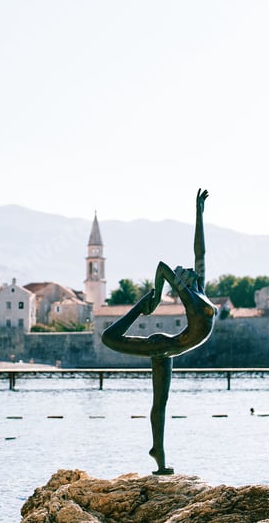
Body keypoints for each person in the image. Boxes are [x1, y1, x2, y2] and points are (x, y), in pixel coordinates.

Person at [102, 188, 216, 475]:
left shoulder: (199, 290)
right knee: (108, 338)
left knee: (161, 403)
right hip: (162, 346)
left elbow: (200, 251)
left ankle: (159, 456)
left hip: (170, 347)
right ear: (182, 281)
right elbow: (163, 267)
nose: (188, 269)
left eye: (188, 270)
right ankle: (141, 305)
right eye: (184, 272)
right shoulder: (188, 296)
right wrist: (154, 298)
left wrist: (199, 213)